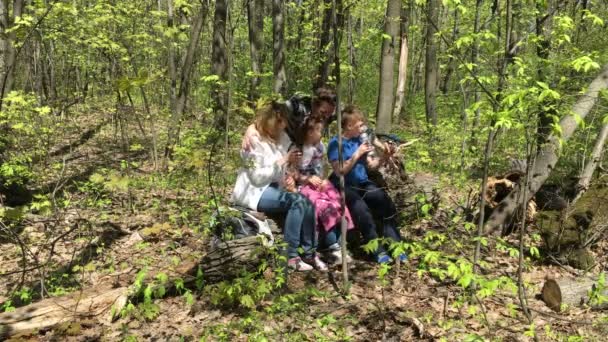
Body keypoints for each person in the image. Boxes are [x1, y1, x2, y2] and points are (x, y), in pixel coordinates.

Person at [231, 101, 327, 271]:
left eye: (284, 123)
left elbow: (286, 163)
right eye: (280, 123)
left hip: (275, 188)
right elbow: (257, 178)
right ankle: (290, 257)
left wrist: (289, 172)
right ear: (272, 122)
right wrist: (284, 161)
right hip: (254, 192)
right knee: (297, 201)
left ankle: (309, 253)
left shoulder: (281, 138)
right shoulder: (253, 142)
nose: (283, 127)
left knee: (307, 203)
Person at [326, 105, 406, 264]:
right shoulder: (336, 144)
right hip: (344, 186)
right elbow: (340, 171)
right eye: (359, 124)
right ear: (349, 126)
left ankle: (396, 245)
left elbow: (371, 165)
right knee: (360, 209)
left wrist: (384, 156)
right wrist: (357, 154)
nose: (363, 127)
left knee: (384, 200)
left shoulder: (360, 139)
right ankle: (376, 250)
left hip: (362, 182)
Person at [291, 117, 354, 265]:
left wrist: (324, 179)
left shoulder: (320, 147)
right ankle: (332, 246)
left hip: (319, 184)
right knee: (323, 207)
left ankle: (341, 242)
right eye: (319, 130)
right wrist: (306, 179)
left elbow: (322, 168)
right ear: (309, 132)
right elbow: (291, 172)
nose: (321, 133)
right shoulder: (297, 149)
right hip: (304, 186)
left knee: (338, 203)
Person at [241, 88, 337, 151]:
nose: (325, 118)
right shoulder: (297, 106)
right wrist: (252, 127)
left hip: (304, 151)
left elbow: (349, 114)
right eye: (323, 112)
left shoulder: (328, 116)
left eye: (329, 114)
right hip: (283, 144)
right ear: (314, 104)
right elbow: (273, 111)